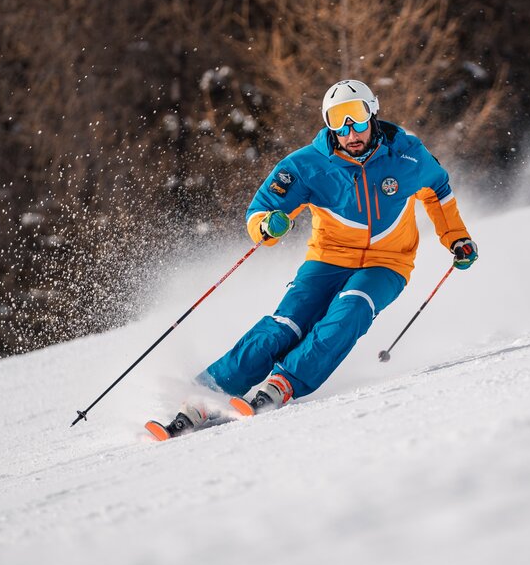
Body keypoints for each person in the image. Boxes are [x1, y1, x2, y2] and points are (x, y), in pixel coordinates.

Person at [147, 79, 478, 440]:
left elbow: (439, 189)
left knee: (351, 309)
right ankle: (206, 393)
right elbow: (262, 211)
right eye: (338, 120)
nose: (350, 130)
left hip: (387, 262)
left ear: (373, 114)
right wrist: (267, 227)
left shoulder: (408, 154)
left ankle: (282, 383)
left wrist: (456, 238)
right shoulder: (306, 165)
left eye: (357, 117)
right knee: (285, 325)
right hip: (327, 259)